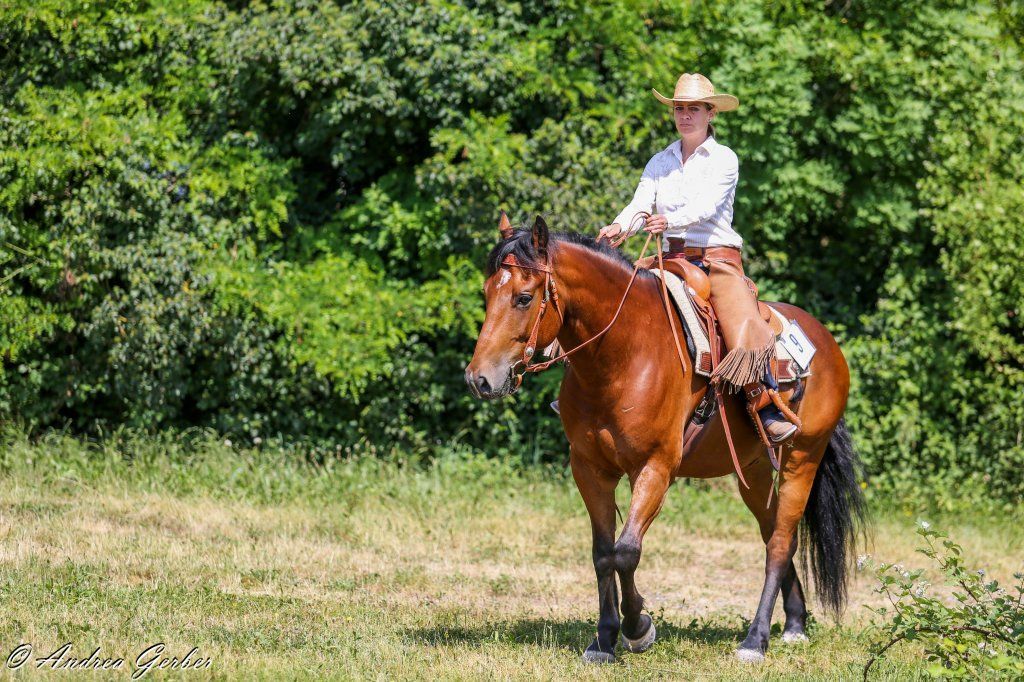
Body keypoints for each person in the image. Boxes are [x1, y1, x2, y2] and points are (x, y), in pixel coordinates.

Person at [595, 72, 797, 444]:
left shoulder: (724, 159)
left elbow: (707, 206)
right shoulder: (660, 161)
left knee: (739, 320)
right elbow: (640, 204)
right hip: (668, 259)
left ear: (710, 113)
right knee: (611, 298)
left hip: (716, 260)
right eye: (679, 109)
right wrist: (619, 226)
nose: (685, 115)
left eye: (693, 109)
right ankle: (585, 388)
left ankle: (764, 402)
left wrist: (668, 220)